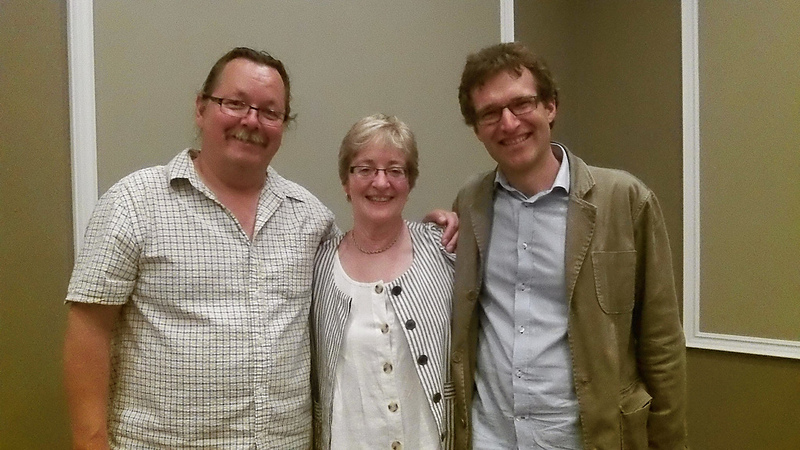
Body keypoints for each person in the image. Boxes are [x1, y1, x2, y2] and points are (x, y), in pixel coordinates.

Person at [63, 48, 457, 449]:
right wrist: (89, 440)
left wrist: (437, 226)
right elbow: (89, 327)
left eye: (270, 112)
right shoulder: (134, 203)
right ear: (201, 108)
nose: (251, 120)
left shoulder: (310, 220)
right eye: (235, 103)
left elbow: (368, 257)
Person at [449, 42, 687, 449]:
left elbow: (662, 344)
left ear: (550, 107)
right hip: (491, 437)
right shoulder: (470, 204)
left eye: (522, 104)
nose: (508, 123)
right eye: (490, 113)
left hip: (587, 438)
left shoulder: (625, 200)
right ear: (476, 128)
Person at [311, 114, 455, 449]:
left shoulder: (446, 249)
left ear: (410, 181)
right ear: (346, 182)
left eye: (395, 170)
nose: (381, 182)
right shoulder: (318, 263)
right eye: (365, 169)